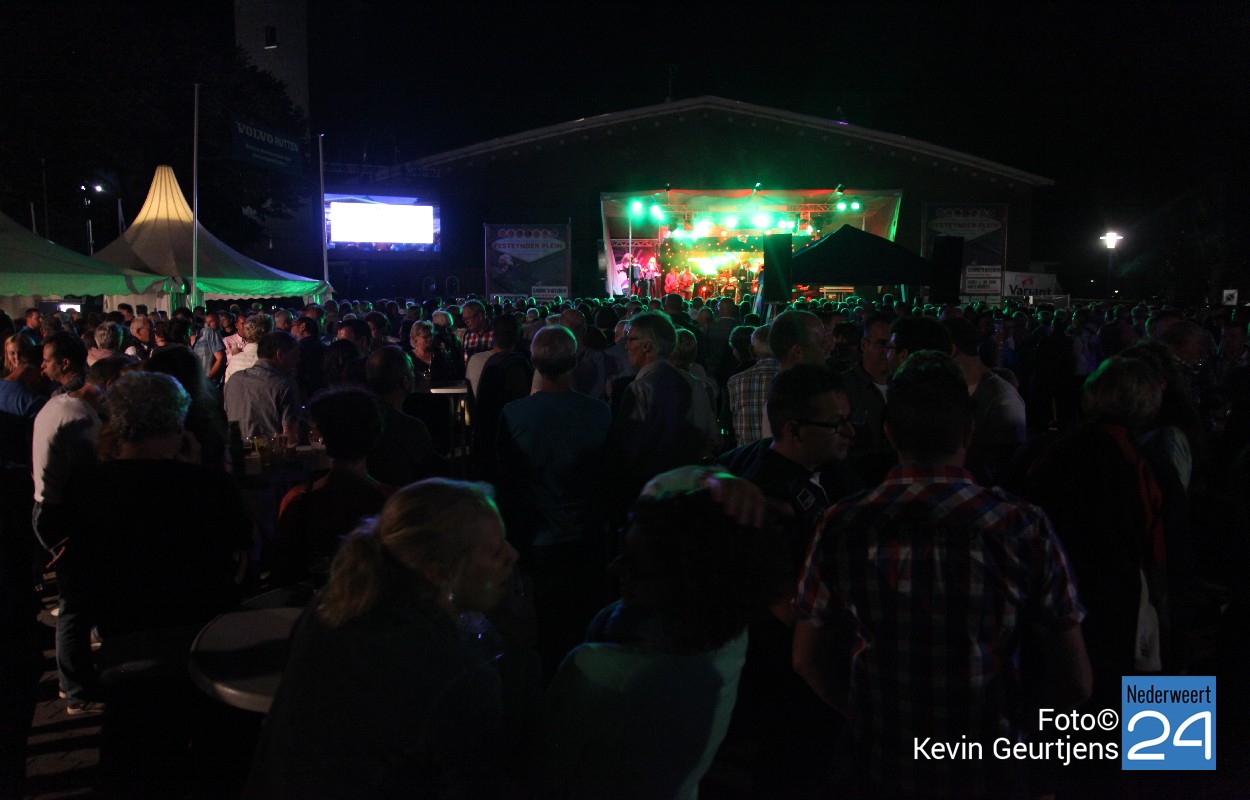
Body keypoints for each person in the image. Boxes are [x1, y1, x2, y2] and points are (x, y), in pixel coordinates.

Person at [793, 351, 1091, 799]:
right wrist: (1021, 732)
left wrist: (859, 713)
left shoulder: (843, 522)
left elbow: (807, 658)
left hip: (883, 762)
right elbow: (1076, 681)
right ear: (968, 431)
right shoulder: (1020, 524)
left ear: (889, 432)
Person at [245, 480, 519, 799]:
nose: (513, 555)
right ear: (440, 573)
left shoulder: (331, 607)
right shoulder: (459, 676)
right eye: (496, 551)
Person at [537, 486, 777, 800]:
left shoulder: (593, 671)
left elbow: (537, 774)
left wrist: (519, 651)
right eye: (622, 546)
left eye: (636, 566)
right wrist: (719, 478)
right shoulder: (731, 641)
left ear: (684, 585)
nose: (614, 567)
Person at [272, 388, 394, 586]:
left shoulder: (297, 501)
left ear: (322, 435)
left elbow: (284, 572)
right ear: (377, 432)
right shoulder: (394, 504)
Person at [223, 331, 302, 442]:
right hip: (271, 450)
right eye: (295, 355)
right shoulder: (285, 385)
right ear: (280, 355)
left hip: (238, 450)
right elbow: (290, 437)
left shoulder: (234, 380)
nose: (298, 361)